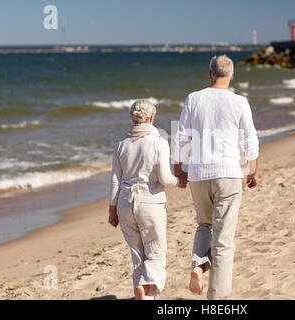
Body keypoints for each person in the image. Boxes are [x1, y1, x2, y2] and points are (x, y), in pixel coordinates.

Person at [174, 55, 259, 300]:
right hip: (228, 174)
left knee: (204, 225)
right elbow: (249, 141)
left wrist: (179, 170)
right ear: (231, 75)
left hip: (199, 175)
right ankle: (217, 299)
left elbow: (181, 138)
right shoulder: (239, 102)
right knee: (223, 241)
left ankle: (197, 266)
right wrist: (253, 170)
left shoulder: (193, 98)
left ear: (209, 74)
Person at [108, 99, 181, 300]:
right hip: (150, 202)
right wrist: (179, 182)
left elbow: (115, 180)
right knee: (156, 252)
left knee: (138, 256)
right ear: (151, 118)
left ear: (133, 118)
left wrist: (112, 211)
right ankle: (144, 286)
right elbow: (165, 178)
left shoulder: (121, 144)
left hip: (124, 202)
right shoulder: (158, 142)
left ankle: (143, 295)